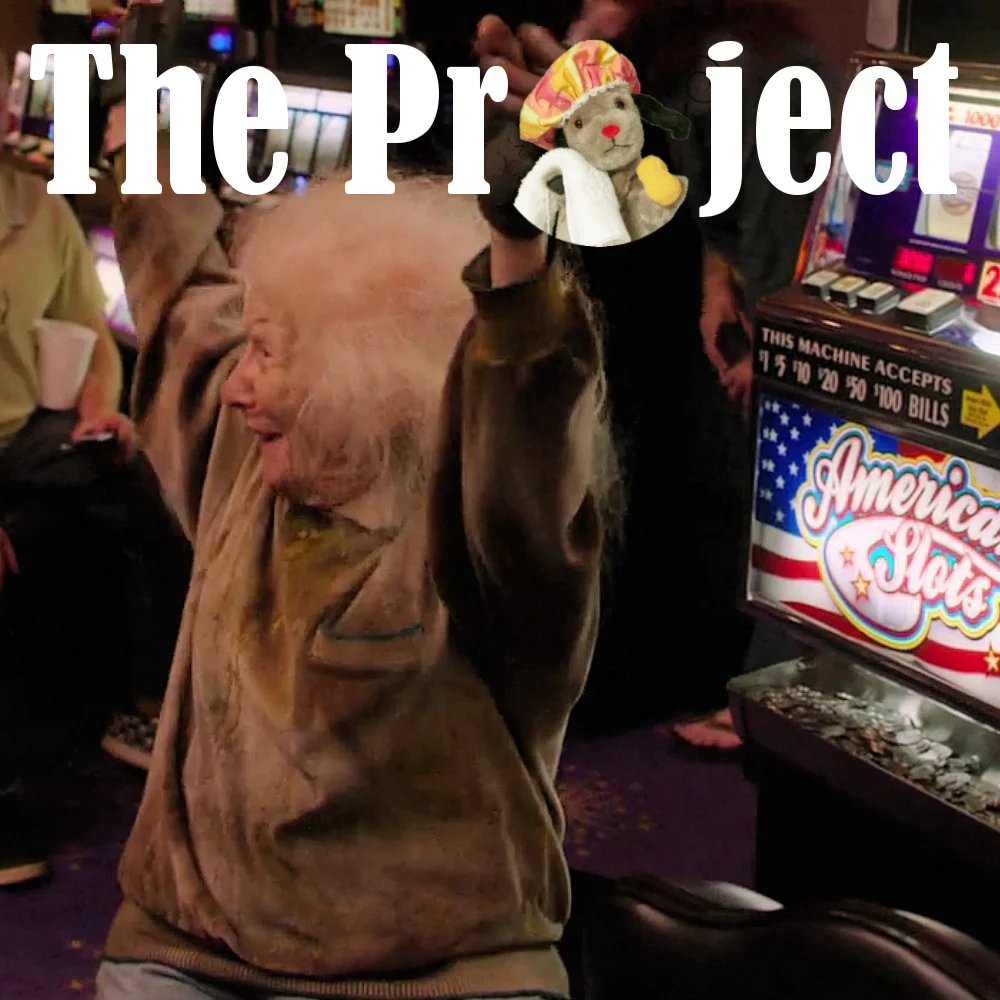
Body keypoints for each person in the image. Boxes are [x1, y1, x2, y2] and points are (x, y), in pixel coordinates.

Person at [92, 80, 618, 996]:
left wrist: (518, 263)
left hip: (437, 970)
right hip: (191, 943)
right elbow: (183, 310)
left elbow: (526, 444)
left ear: (363, 374)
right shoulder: (245, 463)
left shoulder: (480, 540)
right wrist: (141, 147)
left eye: (268, 353)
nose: (239, 385)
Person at [476, 0, 831, 751]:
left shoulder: (742, 62)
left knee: (639, 683)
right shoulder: (620, 49)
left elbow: (744, 259)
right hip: (605, 407)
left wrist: (584, 117)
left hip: (678, 441)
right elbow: (517, 209)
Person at [0, 50, 186, 887]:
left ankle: (146, 706)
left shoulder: (36, 205)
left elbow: (89, 332)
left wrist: (102, 410)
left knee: (156, 478)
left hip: (23, 434)